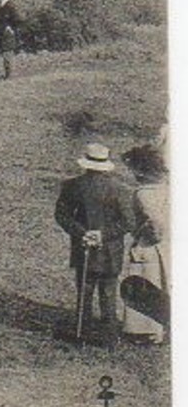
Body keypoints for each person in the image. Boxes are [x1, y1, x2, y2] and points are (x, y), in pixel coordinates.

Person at [54, 144, 140, 346]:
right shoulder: (120, 189)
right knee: (108, 294)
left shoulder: (73, 185)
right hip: (110, 250)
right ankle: (109, 338)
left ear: (86, 163)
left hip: (83, 247)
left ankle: (80, 335)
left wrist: (82, 233)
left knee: (84, 291)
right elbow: (128, 222)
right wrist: (103, 235)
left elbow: (62, 215)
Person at [121, 145, 168, 343]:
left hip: (150, 244)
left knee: (147, 283)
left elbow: (154, 221)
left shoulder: (143, 194)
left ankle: (146, 331)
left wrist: (146, 235)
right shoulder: (166, 190)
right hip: (167, 244)